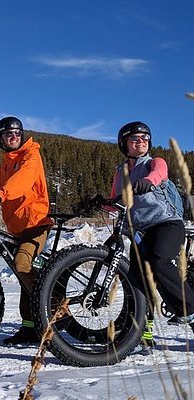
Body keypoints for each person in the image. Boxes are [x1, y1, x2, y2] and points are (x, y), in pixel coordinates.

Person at [0, 116, 53, 345]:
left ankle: (53, 306)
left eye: (17, 133)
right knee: (23, 275)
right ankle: (29, 328)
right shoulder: (6, 163)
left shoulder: (31, 155)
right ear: (1, 139)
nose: (13, 136)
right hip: (17, 227)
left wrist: (1, 195)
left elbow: (23, 181)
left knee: (22, 264)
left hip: (36, 224)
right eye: (8, 134)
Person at [111, 121, 194, 352]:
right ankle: (142, 334)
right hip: (140, 231)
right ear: (124, 143)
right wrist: (100, 203)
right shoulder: (120, 172)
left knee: (159, 261)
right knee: (137, 279)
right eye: (135, 138)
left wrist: (147, 182)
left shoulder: (154, 163)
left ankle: (191, 309)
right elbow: (116, 200)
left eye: (145, 138)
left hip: (166, 223)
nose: (141, 142)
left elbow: (160, 174)